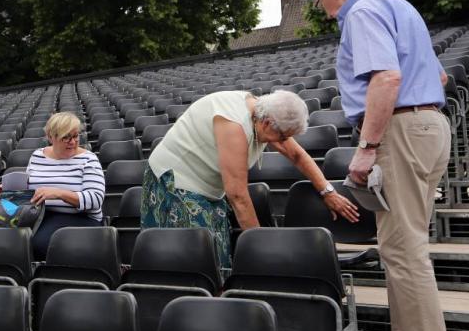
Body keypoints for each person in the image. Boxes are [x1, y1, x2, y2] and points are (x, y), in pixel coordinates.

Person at [313, 0, 456, 331]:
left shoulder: (360, 10)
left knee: (404, 249)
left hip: (401, 130)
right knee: (400, 244)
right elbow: (441, 75)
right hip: (428, 125)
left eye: (321, 2)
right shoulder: (399, 5)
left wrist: (368, 146)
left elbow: (387, 77)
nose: (325, 12)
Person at [141, 89, 359, 268]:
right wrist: (264, 250)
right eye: (283, 136)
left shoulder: (263, 115)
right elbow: (237, 196)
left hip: (208, 188)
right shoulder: (234, 125)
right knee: (194, 260)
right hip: (175, 180)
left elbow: (296, 154)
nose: (284, 141)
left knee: (216, 257)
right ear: (266, 124)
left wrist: (327, 192)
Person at [17, 112, 105, 260]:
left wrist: (59, 193)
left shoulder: (88, 159)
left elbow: (95, 199)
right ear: (51, 137)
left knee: (41, 244)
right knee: (12, 240)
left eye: (76, 136)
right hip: (40, 215)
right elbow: (28, 186)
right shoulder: (37, 155)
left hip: (80, 217)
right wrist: (6, 189)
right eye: (66, 137)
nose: (73, 142)